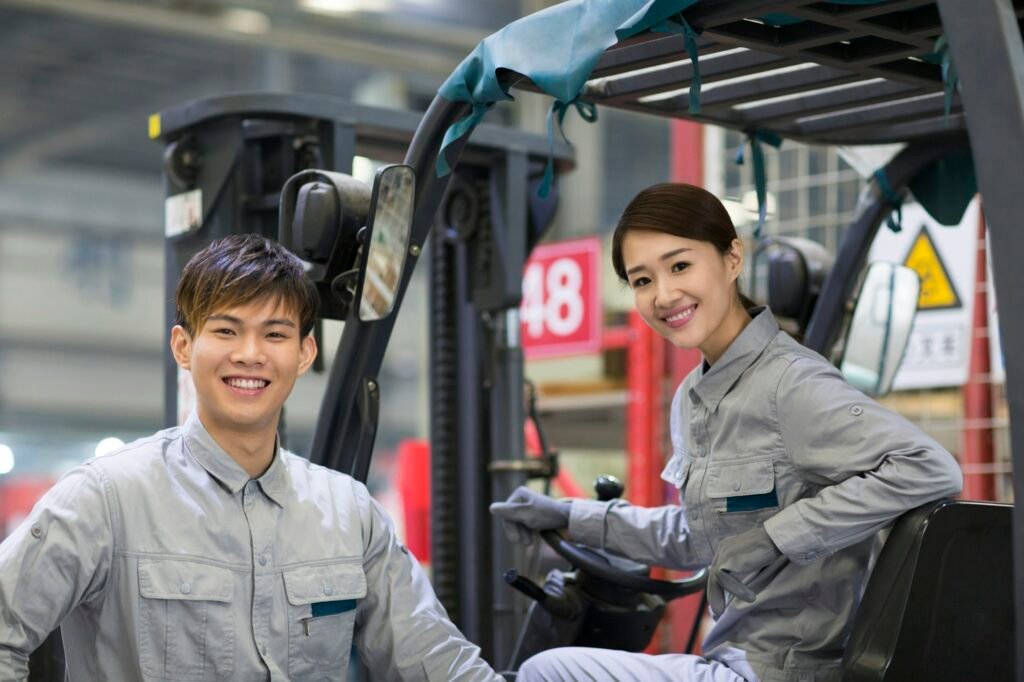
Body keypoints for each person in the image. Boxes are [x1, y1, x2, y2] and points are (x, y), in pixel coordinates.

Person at [491, 183, 963, 682]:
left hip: (786, 671)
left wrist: (776, 539)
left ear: (731, 258)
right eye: (643, 280)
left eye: (680, 266)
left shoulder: (790, 383)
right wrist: (571, 517)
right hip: (731, 658)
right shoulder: (694, 397)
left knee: (547, 669)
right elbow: (700, 535)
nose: (664, 295)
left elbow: (930, 468)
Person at [0, 234, 501, 681]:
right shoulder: (106, 500)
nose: (250, 354)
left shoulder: (349, 513)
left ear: (304, 354)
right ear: (183, 346)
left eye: (275, 334)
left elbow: (435, 659)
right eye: (225, 331)